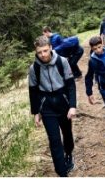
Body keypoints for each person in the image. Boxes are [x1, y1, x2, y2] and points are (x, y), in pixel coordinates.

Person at [28, 36, 76, 177]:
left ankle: (68, 153)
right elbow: (33, 91)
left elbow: (71, 85)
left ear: (51, 48)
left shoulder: (62, 62)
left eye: (45, 51)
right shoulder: (34, 68)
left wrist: (72, 106)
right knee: (54, 140)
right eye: (39, 52)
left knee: (67, 134)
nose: (43, 55)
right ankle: (61, 172)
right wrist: (36, 112)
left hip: (63, 103)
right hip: (47, 106)